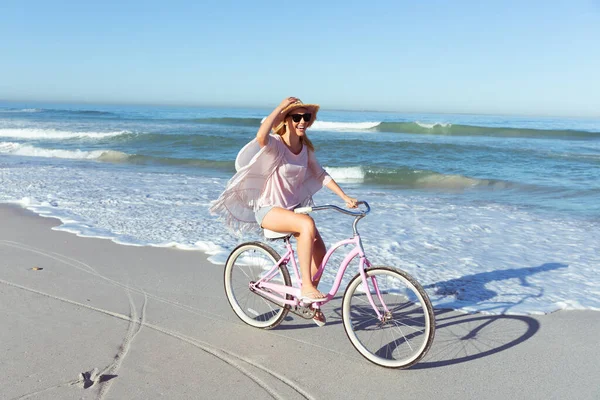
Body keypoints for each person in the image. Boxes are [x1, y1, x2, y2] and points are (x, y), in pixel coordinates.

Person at [211, 96, 357, 308]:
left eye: (306, 117)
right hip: (269, 211)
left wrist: (345, 197)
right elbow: (261, 136)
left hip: (291, 211)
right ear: (287, 120)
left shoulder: (306, 149)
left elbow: (321, 174)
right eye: (296, 117)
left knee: (320, 251)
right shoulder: (276, 145)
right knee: (307, 223)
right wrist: (279, 107)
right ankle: (306, 286)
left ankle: (309, 300)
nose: (302, 122)